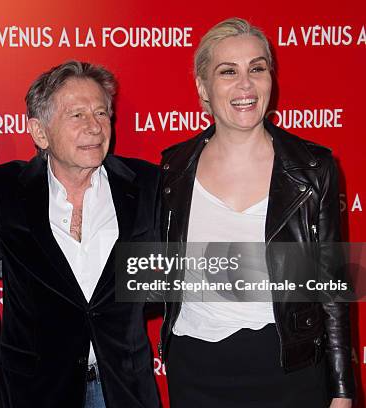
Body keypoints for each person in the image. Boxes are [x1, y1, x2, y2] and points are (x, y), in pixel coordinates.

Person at [157, 18, 354, 408]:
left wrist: (342, 392)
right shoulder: (172, 169)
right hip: (195, 369)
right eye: (228, 71)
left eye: (257, 69)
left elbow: (331, 287)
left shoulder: (313, 169)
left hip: (289, 367)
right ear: (203, 87)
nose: (245, 85)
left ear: (270, 80)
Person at [0, 61, 161, 408]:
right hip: (36, 391)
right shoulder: (3, 191)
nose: (95, 127)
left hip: (123, 388)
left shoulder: (147, 185)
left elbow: (184, 269)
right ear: (39, 133)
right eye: (77, 115)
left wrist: (297, 273)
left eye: (101, 113)